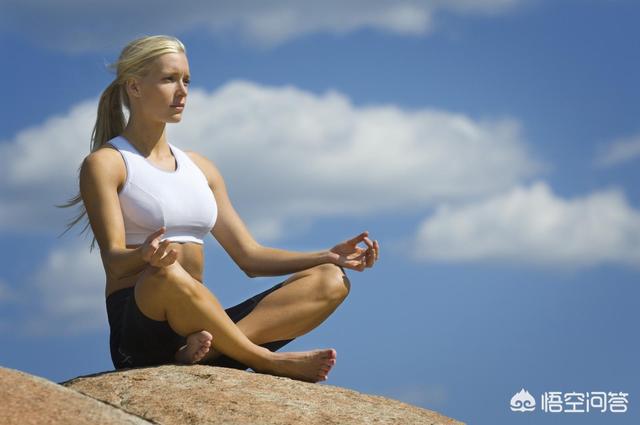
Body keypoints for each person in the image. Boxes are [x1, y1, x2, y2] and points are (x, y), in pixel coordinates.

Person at [59, 35, 379, 383]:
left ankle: (206, 353)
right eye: (169, 79)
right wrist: (145, 257)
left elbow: (250, 258)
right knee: (166, 273)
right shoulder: (107, 163)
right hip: (140, 326)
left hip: (200, 329)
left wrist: (327, 255)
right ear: (134, 87)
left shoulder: (202, 168)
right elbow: (114, 262)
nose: (182, 91)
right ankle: (264, 359)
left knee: (331, 281)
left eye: (186, 81)